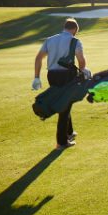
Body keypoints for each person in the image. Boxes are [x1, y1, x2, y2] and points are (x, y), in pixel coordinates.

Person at [33, 18, 89, 149]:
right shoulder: (75, 41)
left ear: (65, 27)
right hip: (67, 76)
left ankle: (69, 132)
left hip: (52, 75)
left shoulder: (50, 39)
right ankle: (61, 142)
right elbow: (81, 60)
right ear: (75, 30)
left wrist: (36, 77)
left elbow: (38, 58)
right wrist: (82, 71)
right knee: (64, 106)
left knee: (64, 101)